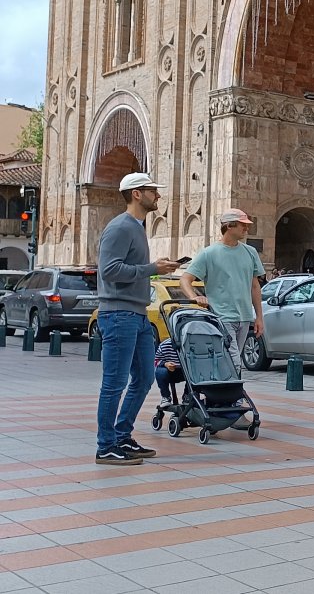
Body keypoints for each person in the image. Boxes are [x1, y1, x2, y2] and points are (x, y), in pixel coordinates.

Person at [95, 173, 179, 465]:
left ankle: (122, 437)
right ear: (136, 194)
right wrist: (151, 268)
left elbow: (131, 268)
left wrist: (155, 268)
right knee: (114, 383)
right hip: (119, 314)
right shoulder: (120, 227)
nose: (157, 195)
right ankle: (105, 446)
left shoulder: (137, 227)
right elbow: (109, 270)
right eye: (153, 191)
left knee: (144, 378)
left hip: (138, 315)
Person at [180, 209, 265, 376]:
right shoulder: (208, 253)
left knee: (230, 358)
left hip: (244, 316)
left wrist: (259, 317)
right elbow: (185, 279)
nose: (246, 229)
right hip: (221, 316)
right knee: (233, 359)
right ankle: (234, 395)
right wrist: (194, 297)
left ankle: (221, 394)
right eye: (243, 225)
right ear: (229, 226)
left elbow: (255, 286)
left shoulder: (250, 252)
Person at [154, 337, 183, 407]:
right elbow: (156, 361)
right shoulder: (164, 345)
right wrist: (165, 364)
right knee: (160, 372)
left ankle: (188, 395)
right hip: (170, 371)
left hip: (189, 372)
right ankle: (166, 397)